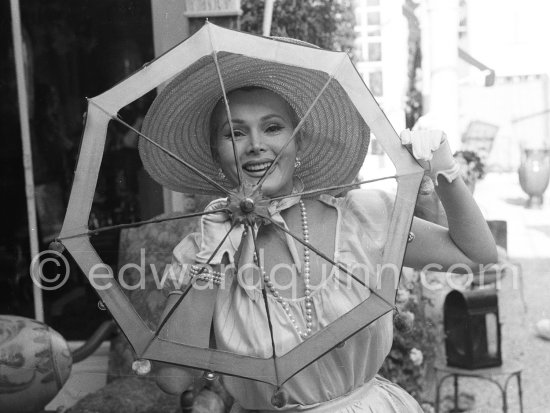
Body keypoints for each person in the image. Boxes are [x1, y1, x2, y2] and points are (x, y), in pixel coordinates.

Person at [138, 47, 497, 413]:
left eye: (273, 127)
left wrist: (444, 171)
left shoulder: (365, 217)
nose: (257, 145)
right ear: (217, 156)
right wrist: (210, 264)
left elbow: (474, 257)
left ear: (299, 142)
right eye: (235, 133)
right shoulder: (203, 250)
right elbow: (173, 378)